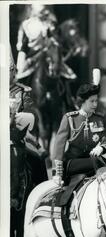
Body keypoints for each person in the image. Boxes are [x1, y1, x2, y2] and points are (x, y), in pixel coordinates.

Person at [52, 68, 106, 205]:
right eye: (92, 101)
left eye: (96, 101)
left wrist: (101, 148)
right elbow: (59, 148)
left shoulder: (100, 119)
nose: (95, 105)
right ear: (83, 102)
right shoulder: (70, 119)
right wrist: (58, 174)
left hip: (92, 161)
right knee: (100, 164)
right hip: (72, 163)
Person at [10, 46, 48, 208]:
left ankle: (42, 197)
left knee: (37, 158)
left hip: (16, 133)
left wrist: (20, 116)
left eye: (10, 70)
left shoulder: (23, 91)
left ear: (14, 72)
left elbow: (31, 112)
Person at [16, 4, 75, 81]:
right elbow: (25, 41)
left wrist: (53, 39)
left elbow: (52, 35)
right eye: (41, 12)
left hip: (47, 49)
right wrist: (20, 43)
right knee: (21, 71)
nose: (45, 13)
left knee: (58, 62)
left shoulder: (49, 22)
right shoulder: (28, 23)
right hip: (33, 52)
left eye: (44, 12)